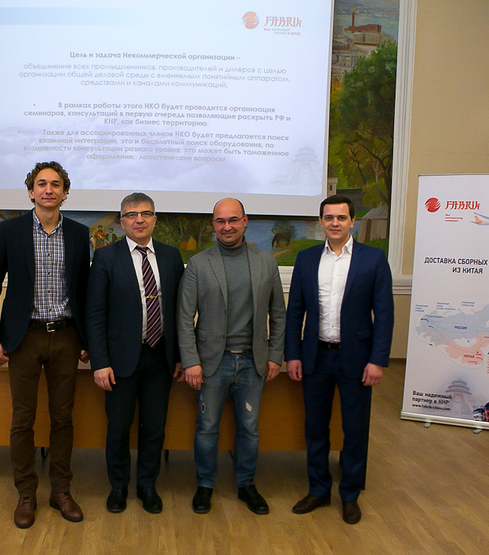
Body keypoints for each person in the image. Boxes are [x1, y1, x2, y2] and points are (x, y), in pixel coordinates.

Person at [0, 161, 90, 529]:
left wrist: (88, 340)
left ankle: (61, 490)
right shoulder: (10, 231)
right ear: (31, 192)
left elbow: (85, 292)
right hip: (23, 337)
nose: (48, 190)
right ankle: (26, 493)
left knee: (63, 418)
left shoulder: (79, 234)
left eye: (55, 184)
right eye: (41, 184)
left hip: (66, 336)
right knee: (22, 419)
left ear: (65, 193)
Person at [285, 195, 393, 525]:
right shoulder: (306, 259)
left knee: (354, 430)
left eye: (341, 218)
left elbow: (384, 314)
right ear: (321, 222)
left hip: (357, 360)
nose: (335, 223)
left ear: (352, 222)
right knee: (315, 428)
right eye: (329, 217)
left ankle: (349, 495)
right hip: (315, 357)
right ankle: (318, 489)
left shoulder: (373, 259)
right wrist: (292, 354)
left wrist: (378, 360)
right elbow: (295, 312)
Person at [177, 198, 286, 515]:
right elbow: (184, 317)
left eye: (233, 220)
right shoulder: (199, 264)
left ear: (245, 221)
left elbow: (278, 314)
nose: (227, 227)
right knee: (207, 427)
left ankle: (246, 484)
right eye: (220, 221)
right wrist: (191, 361)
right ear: (213, 224)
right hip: (212, 363)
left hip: (253, 362)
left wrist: (275, 355)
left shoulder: (266, 263)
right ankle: (205, 485)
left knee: (249, 428)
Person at [86, 193, 184, 514]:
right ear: (122, 221)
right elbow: (95, 313)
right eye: (131, 214)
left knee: (154, 427)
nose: (139, 219)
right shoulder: (106, 257)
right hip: (119, 361)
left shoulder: (171, 256)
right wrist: (100, 362)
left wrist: (180, 356)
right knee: (118, 428)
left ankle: (147, 486)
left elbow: (180, 311)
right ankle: (118, 487)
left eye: (145, 213)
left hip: (160, 357)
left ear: (155, 219)